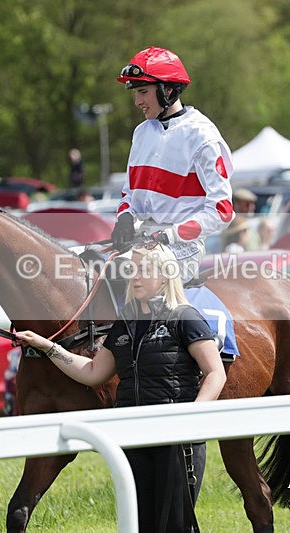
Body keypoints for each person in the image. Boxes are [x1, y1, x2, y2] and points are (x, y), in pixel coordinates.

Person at [15, 243, 226, 532]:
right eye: (132, 269)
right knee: (138, 525)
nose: (135, 276)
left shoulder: (185, 317)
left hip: (176, 438)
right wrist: (48, 346)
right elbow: (92, 372)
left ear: (165, 275)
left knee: (176, 526)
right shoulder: (124, 322)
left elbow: (216, 373)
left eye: (144, 269)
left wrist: (193, 416)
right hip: (132, 436)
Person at [110, 46, 234, 283]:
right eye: (135, 94)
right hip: (143, 241)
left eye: (143, 92)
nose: (137, 101)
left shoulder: (203, 136)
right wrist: (124, 218)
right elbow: (129, 194)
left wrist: (170, 235)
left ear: (168, 90)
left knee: (139, 285)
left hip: (182, 248)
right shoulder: (141, 133)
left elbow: (222, 212)